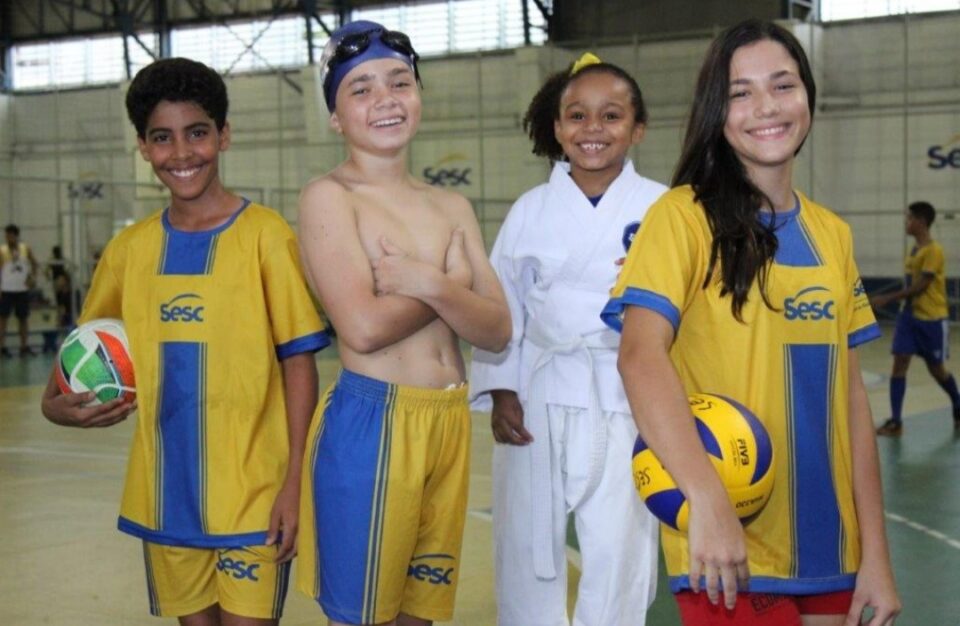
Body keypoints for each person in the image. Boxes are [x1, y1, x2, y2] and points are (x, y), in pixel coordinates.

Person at [605, 19, 901, 626]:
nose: (766, 107)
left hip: (832, 550)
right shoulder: (680, 219)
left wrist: (877, 555)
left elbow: (851, 406)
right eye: (741, 92)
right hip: (728, 547)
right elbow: (639, 356)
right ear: (718, 111)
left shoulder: (833, 236)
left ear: (808, 98)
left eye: (783, 85)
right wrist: (708, 499)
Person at [39, 57, 329, 625]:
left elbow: (299, 364)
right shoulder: (129, 251)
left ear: (223, 135)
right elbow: (81, 352)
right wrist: (56, 407)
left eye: (197, 133)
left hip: (256, 492)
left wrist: (296, 481)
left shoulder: (267, 237)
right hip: (166, 495)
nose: (182, 153)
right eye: (162, 138)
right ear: (144, 148)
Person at [296, 21, 511, 626]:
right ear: (335, 117)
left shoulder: (452, 205)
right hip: (375, 424)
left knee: (420, 615)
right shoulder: (329, 197)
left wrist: (430, 282)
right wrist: (453, 288)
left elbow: (496, 330)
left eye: (399, 82)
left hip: (446, 422)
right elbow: (361, 329)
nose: (385, 98)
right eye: (359, 89)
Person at [469, 53, 664, 626]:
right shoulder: (530, 210)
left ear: (638, 128)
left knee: (620, 546)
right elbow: (501, 306)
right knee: (527, 545)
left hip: (628, 396)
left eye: (611, 116)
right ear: (557, 128)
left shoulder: (665, 207)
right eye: (577, 116)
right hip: (540, 394)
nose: (593, 130)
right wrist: (501, 390)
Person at [872, 201, 960, 436]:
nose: (906, 223)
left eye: (910, 218)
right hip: (909, 318)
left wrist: (887, 297)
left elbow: (922, 286)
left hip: (931, 319)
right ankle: (896, 422)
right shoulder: (913, 250)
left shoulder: (934, 251)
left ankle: (958, 404)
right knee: (899, 363)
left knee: (937, 370)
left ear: (921, 222)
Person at [0, 223, 39, 357]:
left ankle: (24, 346)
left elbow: (34, 263)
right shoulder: (2, 251)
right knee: (3, 319)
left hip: (21, 289)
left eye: (10, 235)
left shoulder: (25, 248)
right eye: (6, 236)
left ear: (16, 236)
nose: (8, 238)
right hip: (6, 290)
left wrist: (32, 278)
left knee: (23, 318)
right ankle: (2, 347)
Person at [42, 245, 75, 352]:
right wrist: (50, 279)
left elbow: (70, 267)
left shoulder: (60, 261)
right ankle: (61, 319)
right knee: (60, 304)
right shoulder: (53, 261)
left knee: (63, 303)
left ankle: (63, 319)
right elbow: (46, 270)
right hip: (58, 282)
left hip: (60, 281)